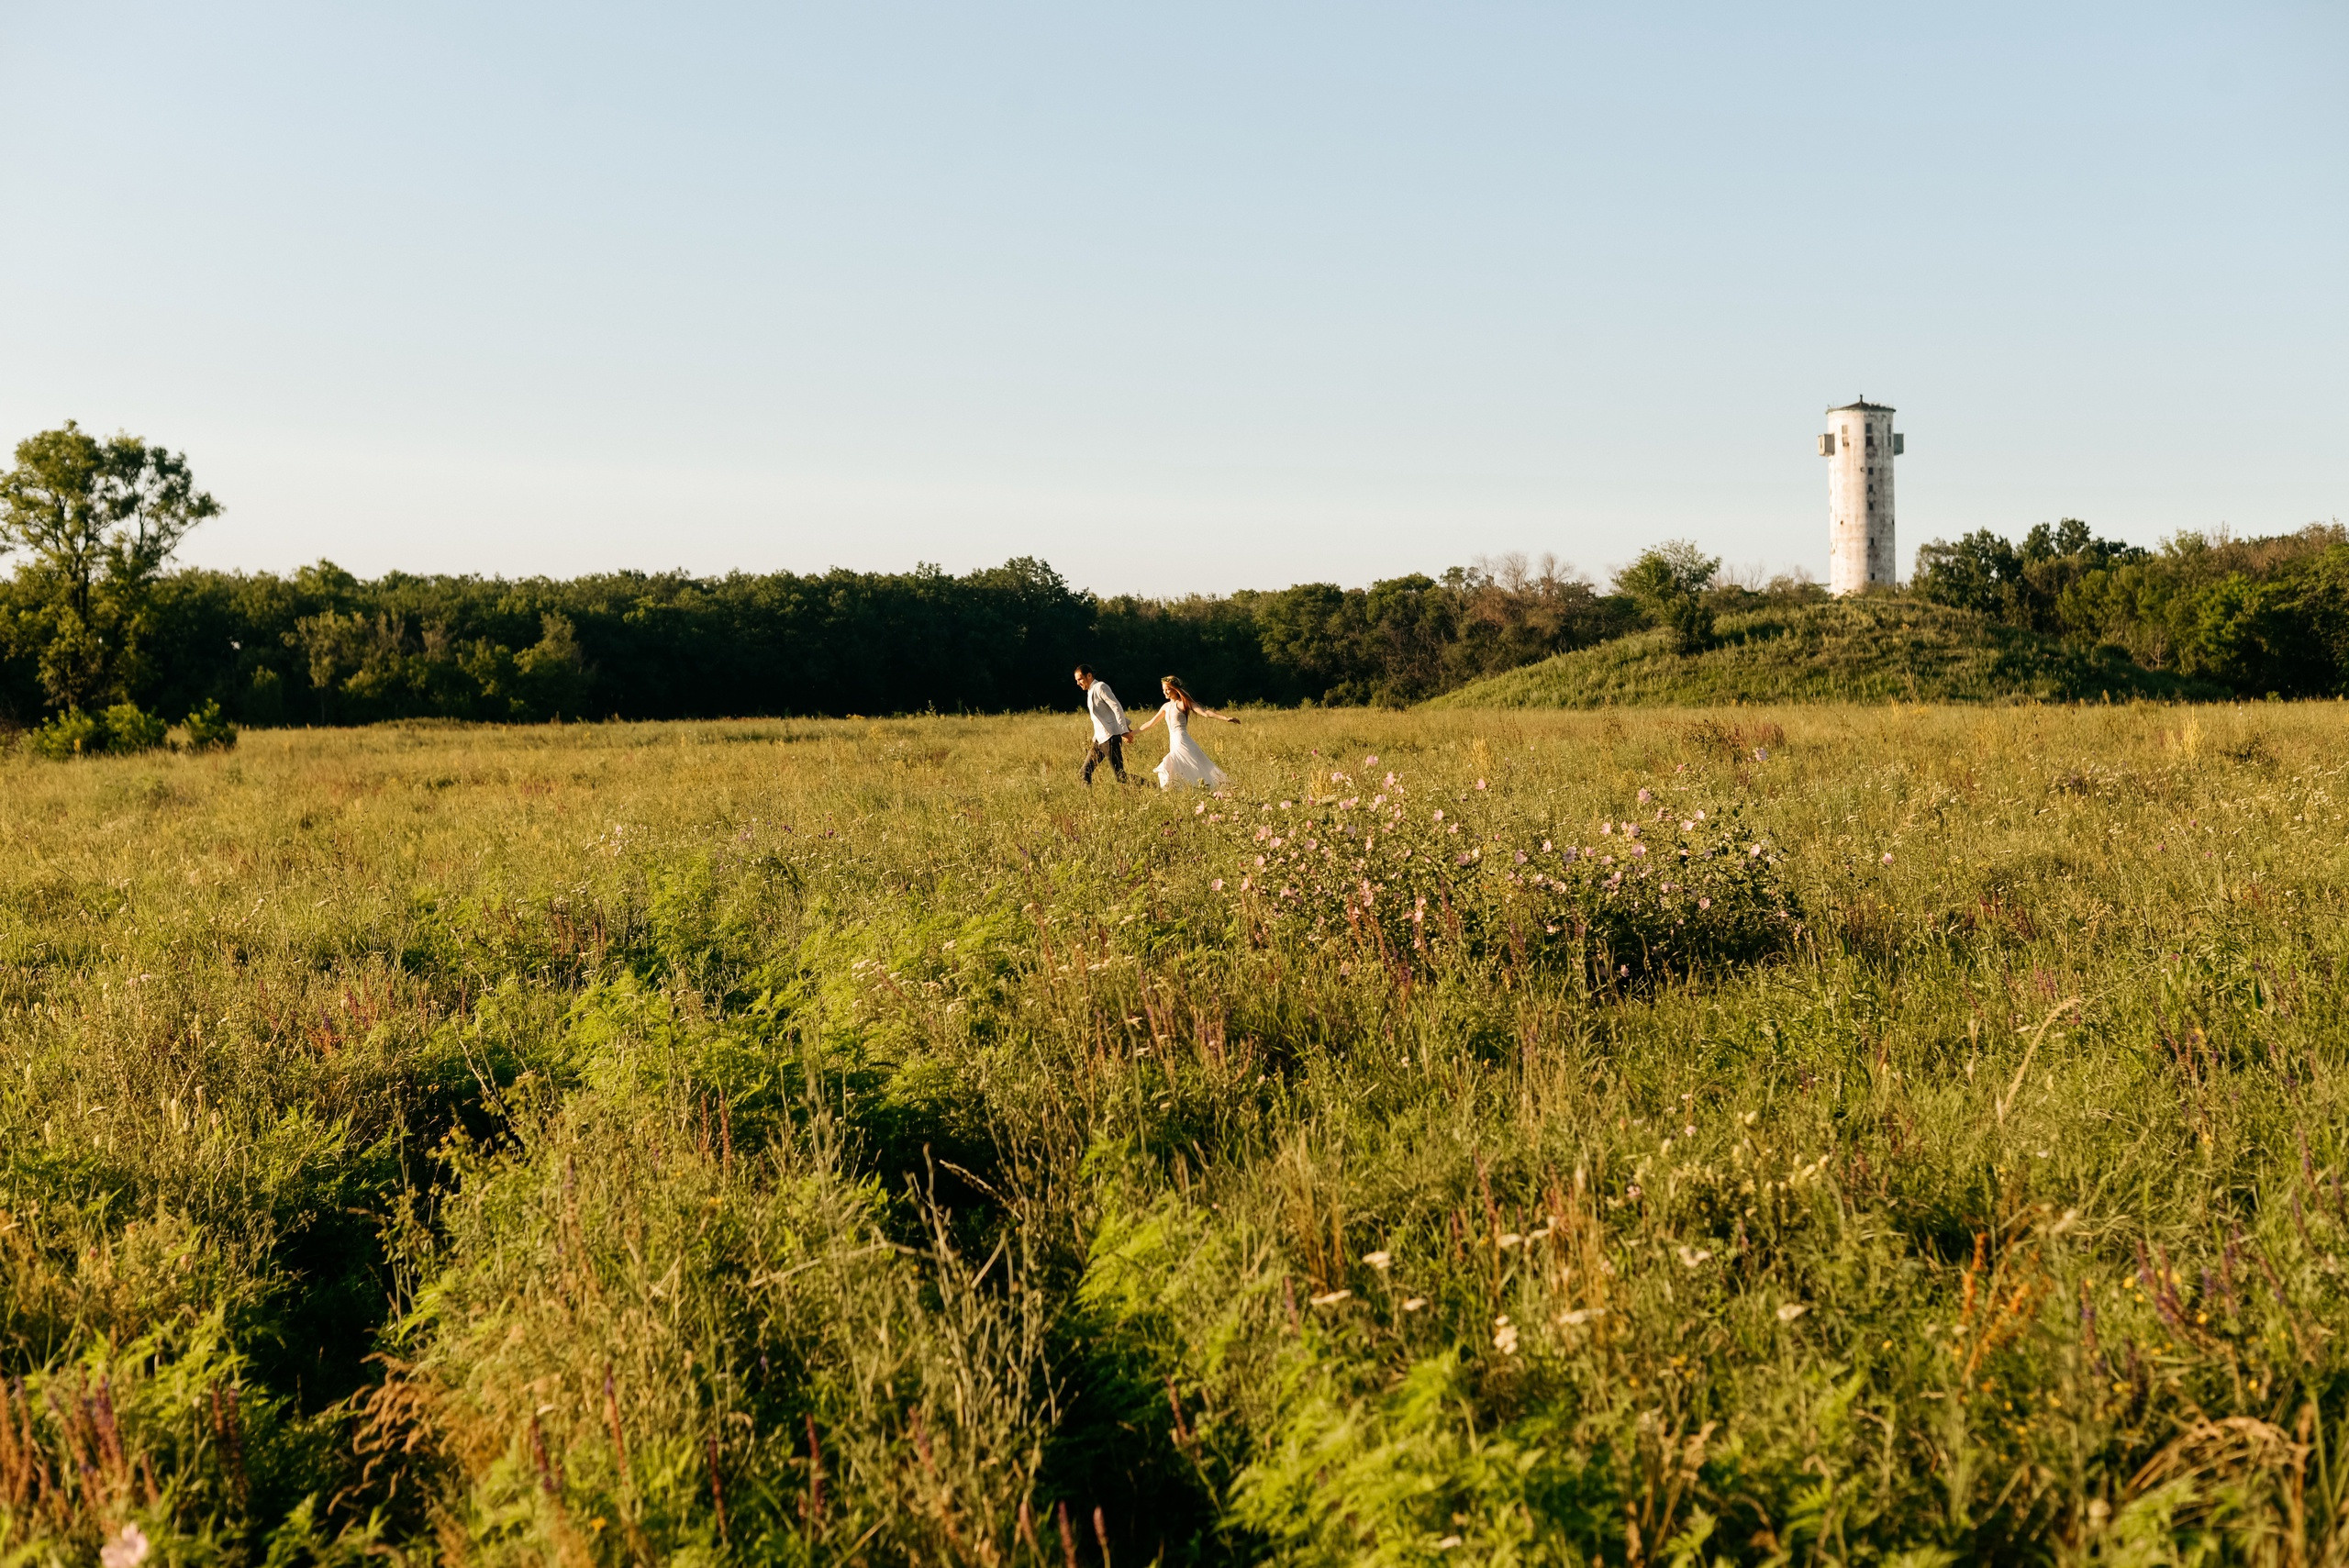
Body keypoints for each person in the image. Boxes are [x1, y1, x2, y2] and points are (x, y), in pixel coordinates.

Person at [1130, 674, 1237, 790]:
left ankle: (1208, 786)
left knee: (1190, 764)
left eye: (1168, 689)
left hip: (1182, 739)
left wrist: (1225, 718)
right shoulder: (1165, 706)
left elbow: (1205, 713)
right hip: (1174, 741)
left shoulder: (1184, 703)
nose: (1165, 692)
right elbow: (1150, 723)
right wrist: (1131, 734)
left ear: (1175, 690)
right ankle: (1184, 789)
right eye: (1163, 690)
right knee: (1181, 766)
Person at [1074, 664, 1131, 785]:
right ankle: (1090, 802)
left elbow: (1116, 707)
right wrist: (1095, 737)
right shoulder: (1090, 691)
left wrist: (1124, 730)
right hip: (1100, 740)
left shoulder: (1100, 687)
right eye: (1077, 680)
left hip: (1110, 738)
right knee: (1084, 772)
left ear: (1089, 675)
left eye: (1080, 679)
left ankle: (1156, 787)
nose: (1078, 683)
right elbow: (1104, 716)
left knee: (1121, 776)